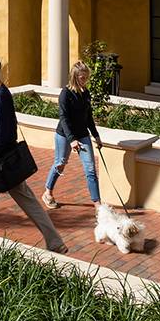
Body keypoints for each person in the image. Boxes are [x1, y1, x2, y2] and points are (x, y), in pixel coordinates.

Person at [0, 54, 66, 253]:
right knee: (27, 201)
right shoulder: (2, 93)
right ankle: (55, 242)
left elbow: (3, 130)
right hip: (6, 157)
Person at [43, 60, 101, 209]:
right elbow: (64, 118)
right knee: (60, 163)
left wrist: (96, 135)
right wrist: (72, 140)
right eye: (82, 78)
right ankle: (48, 192)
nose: (85, 80)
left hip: (82, 134)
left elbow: (88, 117)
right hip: (64, 135)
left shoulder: (85, 93)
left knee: (90, 169)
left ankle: (97, 205)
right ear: (75, 77)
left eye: (86, 77)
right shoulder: (65, 94)